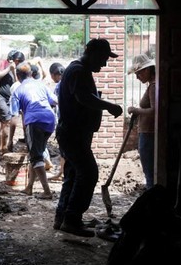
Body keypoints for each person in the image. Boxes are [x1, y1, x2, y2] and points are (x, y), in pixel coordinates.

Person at [54, 38, 123, 237]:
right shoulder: (78, 71)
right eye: (102, 58)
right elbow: (83, 98)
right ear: (91, 53)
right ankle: (72, 219)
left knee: (73, 174)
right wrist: (109, 105)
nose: (104, 63)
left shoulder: (77, 69)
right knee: (89, 173)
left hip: (73, 133)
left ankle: (62, 217)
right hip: (73, 134)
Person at [10, 61, 58, 199]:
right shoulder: (41, 85)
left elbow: (14, 118)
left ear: (18, 76)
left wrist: (10, 140)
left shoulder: (17, 91)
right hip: (49, 120)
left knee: (36, 156)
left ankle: (47, 191)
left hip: (34, 121)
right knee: (36, 152)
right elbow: (55, 100)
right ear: (31, 73)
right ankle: (29, 187)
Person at [127, 53, 156, 189]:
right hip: (146, 133)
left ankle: (152, 201)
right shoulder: (152, 85)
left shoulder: (154, 86)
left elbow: (155, 111)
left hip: (149, 134)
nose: (137, 78)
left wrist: (136, 110)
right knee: (149, 172)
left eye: (138, 74)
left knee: (149, 173)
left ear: (147, 70)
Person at [0, 50, 25, 153]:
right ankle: (4, 148)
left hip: (10, 98)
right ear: (14, 60)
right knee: (6, 121)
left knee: (5, 123)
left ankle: (2, 147)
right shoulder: (3, 64)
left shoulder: (18, 69)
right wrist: (9, 68)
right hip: (0, 96)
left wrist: (14, 71)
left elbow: (16, 82)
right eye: (19, 61)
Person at [48, 62, 65, 181]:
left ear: (54, 75)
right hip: (69, 120)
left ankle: (63, 173)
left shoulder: (59, 86)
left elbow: (55, 102)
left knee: (64, 149)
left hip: (64, 121)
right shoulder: (67, 82)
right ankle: (62, 172)